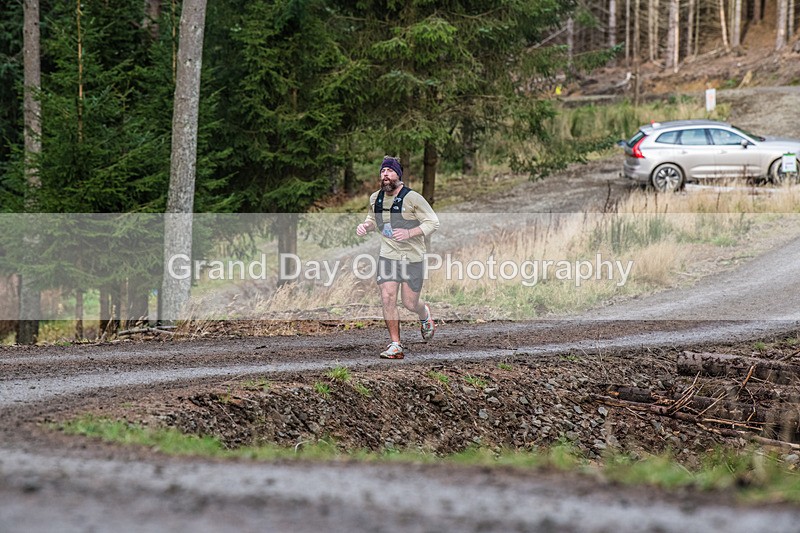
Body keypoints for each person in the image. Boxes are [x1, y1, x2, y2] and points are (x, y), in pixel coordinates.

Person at [356, 156, 439, 359]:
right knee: (387, 297)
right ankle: (396, 345)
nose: (385, 174)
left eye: (389, 171)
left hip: (412, 257)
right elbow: (373, 219)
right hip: (389, 255)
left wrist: (410, 233)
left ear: (398, 175)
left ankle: (423, 313)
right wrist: (366, 226)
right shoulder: (375, 198)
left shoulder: (413, 198)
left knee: (410, 303)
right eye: (383, 171)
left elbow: (433, 222)